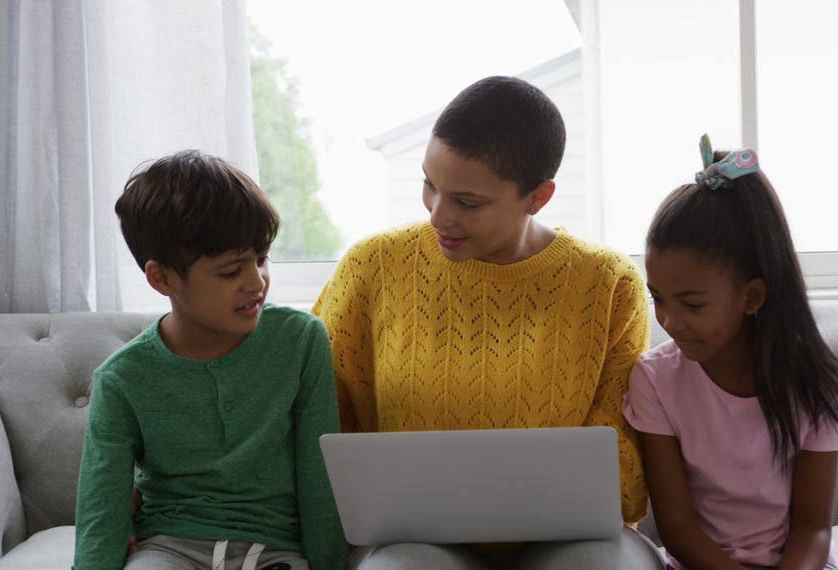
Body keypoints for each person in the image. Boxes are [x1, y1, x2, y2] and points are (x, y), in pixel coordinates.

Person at [313, 76, 662, 569]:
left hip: (572, 541)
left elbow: (624, 466)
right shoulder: (373, 266)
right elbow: (322, 413)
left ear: (538, 197)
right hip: (413, 540)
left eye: (467, 203)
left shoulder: (608, 284)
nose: (438, 215)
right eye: (430, 186)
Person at [74, 150, 347, 569]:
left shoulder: (300, 340)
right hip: (167, 546)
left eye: (261, 259)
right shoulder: (121, 379)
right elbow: (101, 502)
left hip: (274, 548)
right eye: (230, 271)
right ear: (162, 278)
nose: (256, 282)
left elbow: (319, 475)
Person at [623, 135, 838, 570]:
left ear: (751, 297)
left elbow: (812, 528)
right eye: (658, 298)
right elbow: (677, 528)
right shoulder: (654, 380)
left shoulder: (817, 385)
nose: (670, 322)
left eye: (692, 304)